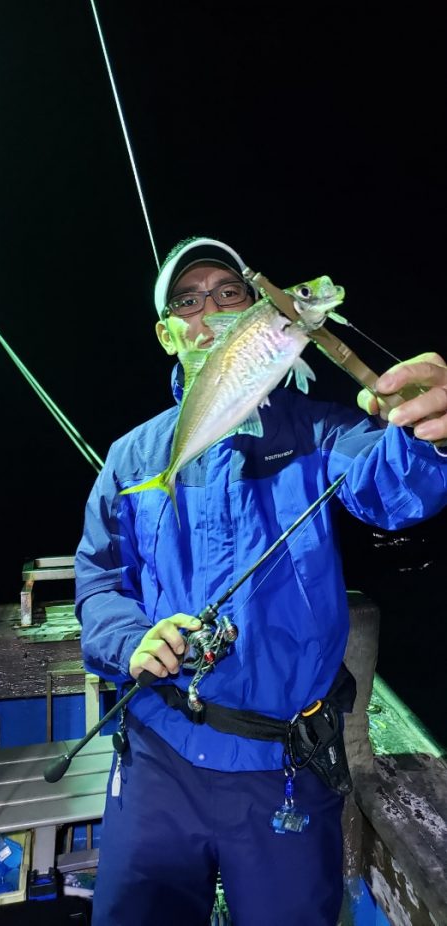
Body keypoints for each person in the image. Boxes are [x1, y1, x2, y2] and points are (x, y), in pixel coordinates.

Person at [75, 236, 447, 926]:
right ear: (166, 335)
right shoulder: (132, 457)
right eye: (187, 300)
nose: (209, 307)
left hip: (285, 767)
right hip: (158, 757)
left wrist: (430, 434)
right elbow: (99, 584)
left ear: (256, 313)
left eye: (229, 293)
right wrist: (131, 638)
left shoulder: (319, 433)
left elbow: (394, 490)